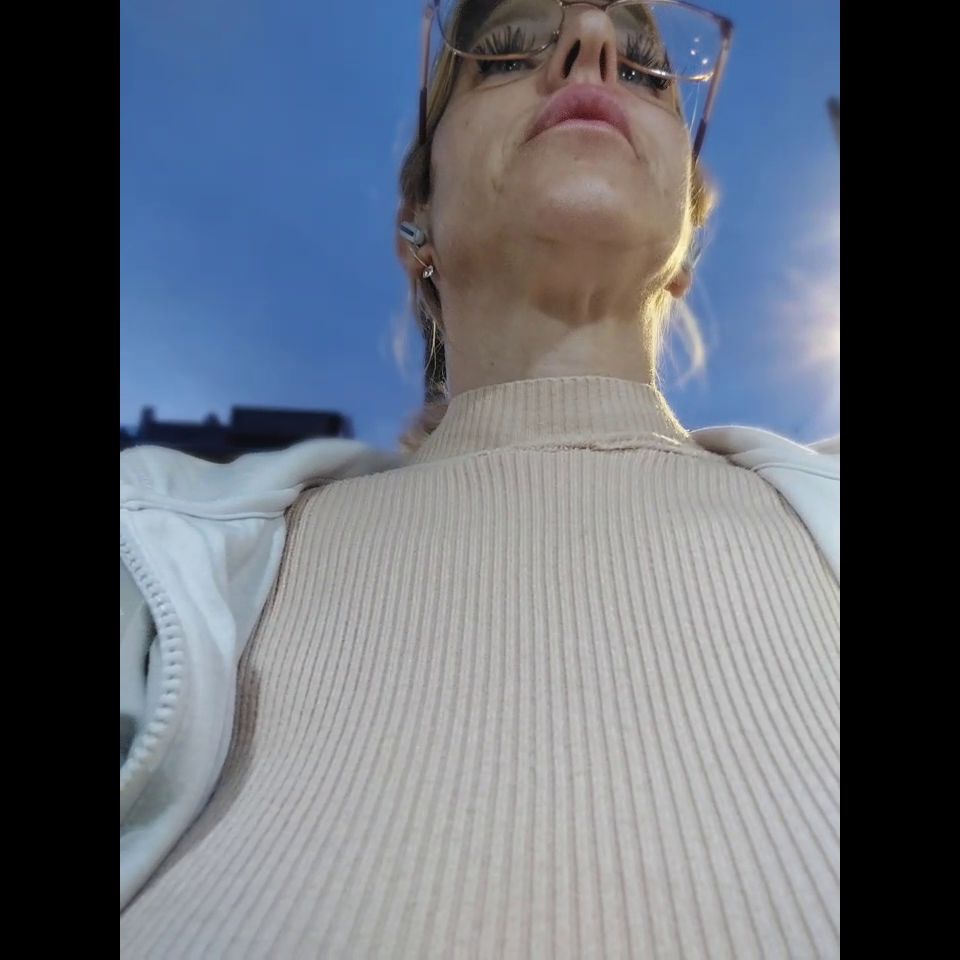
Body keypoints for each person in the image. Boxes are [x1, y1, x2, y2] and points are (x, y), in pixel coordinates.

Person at [120, 2, 839, 956]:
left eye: (645, 73)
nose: (591, 43)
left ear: (686, 244)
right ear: (415, 224)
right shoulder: (159, 558)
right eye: (503, 58)